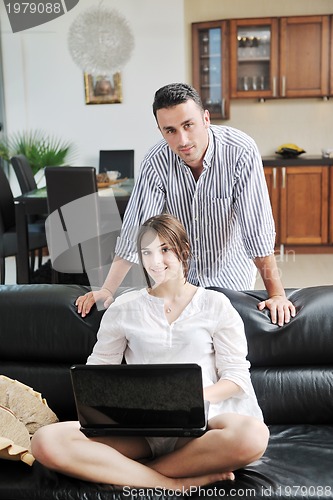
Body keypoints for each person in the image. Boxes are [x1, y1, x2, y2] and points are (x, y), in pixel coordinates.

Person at [31, 214, 269, 489]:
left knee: (253, 436)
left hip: (203, 427)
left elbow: (237, 377)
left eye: (165, 250)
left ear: (184, 251)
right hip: (140, 429)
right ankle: (171, 483)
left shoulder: (216, 304)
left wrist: (188, 397)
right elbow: (97, 372)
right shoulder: (124, 306)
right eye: (147, 252)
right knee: (45, 441)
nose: (155, 261)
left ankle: (133, 475)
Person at [76, 82, 296, 326]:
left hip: (231, 278)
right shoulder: (155, 162)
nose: (182, 140)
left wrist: (276, 294)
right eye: (170, 130)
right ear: (160, 131)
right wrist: (107, 290)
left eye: (188, 125)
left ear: (205, 119)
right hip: (179, 280)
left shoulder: (240, 151)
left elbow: (257, 229)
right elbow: (136, 231)